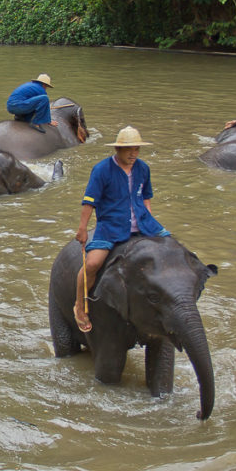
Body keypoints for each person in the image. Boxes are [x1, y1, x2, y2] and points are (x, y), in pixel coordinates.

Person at [73, 126, 170, 332]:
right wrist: (82, 229)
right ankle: (79, 306)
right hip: (111, 225)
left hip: (143, 222)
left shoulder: (143, 168)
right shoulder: (102, 170)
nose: (133, 153)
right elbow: (89, 202)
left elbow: (146, 197)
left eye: (136, 149)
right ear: (117, 149)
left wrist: (150, 222)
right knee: (92, 263)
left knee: (174, 250)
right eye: (129, 149)